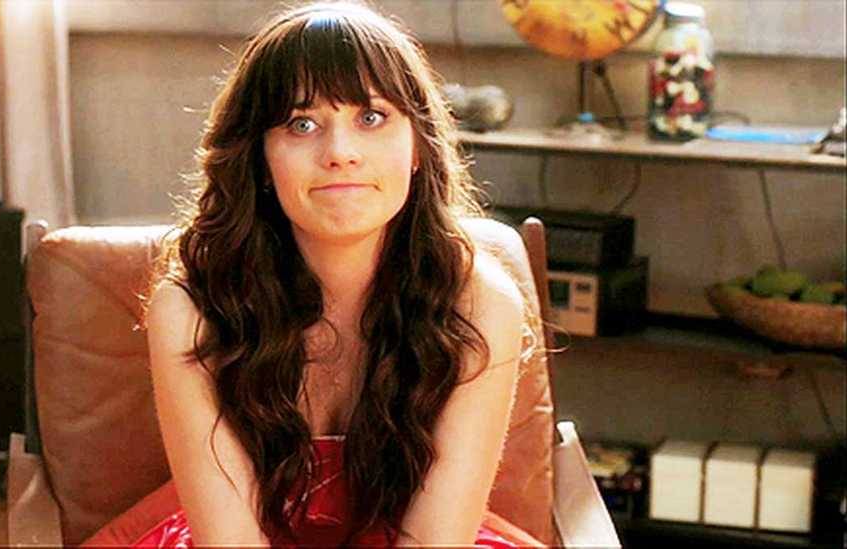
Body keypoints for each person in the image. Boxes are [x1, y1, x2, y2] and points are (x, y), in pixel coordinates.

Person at [138, 1, 547, 546]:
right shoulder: (189, 310)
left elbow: (434, 540)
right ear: (259, 158)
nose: (340, 153)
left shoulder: (480, 305)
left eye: (371, 117)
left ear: (419, 147)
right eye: (302, 123)